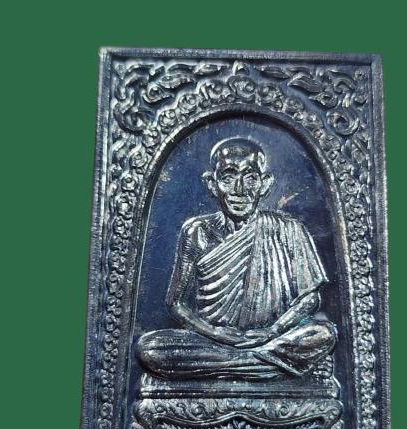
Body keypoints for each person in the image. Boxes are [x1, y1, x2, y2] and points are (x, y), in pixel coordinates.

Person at [136, 137, 336, 380]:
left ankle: (242, 363)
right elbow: (176, 303)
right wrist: (217, 333)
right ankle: (270, 364)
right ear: (212, 184)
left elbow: (310, 299)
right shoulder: (197, 232)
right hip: (213, 339)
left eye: (250, 178)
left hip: (273, 337)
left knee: (323, 334)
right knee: (150, 348)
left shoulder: (289, 229)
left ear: (265, 184)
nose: (239, 190)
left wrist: (272, 331)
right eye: (228, 178)